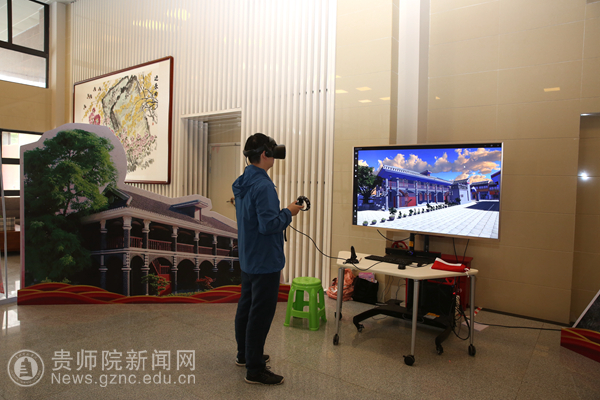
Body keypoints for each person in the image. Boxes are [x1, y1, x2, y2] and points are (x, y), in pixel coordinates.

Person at [232, 133, 303, 385]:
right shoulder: (263, 186)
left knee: (246, 307)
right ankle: (255, 369)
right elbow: (268, 225)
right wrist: (289, 212)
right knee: (260, 314)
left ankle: (244, 354)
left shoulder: (242, 181)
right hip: (264, 260)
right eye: (272, 151)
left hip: (248, 256)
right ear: (265, 154)